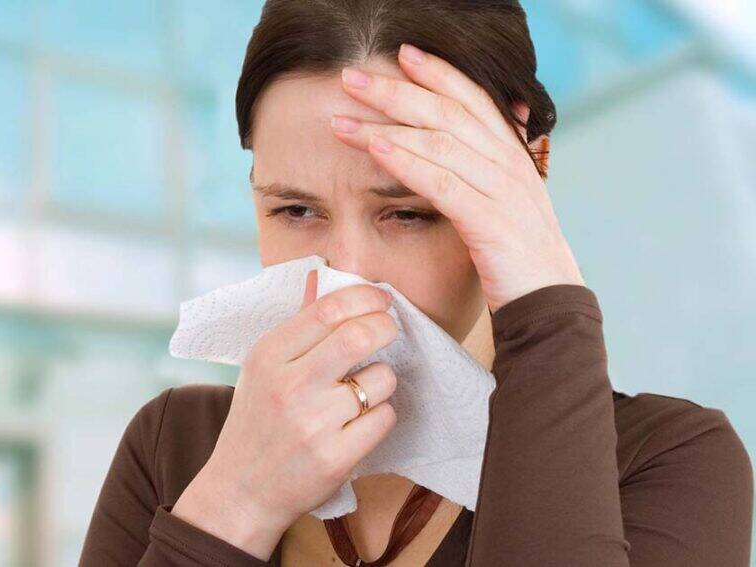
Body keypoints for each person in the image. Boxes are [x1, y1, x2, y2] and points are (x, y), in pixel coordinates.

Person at [79, 1, 753, 565]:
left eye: (407, 213)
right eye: (295, 210)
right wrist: (235, 504)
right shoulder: (176, 447)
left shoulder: (667, 459)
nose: (346, 278)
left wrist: (548, 297)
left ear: (523, 174)